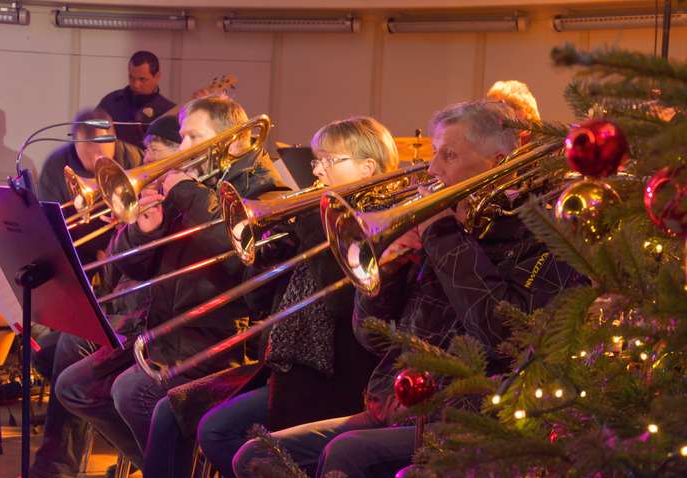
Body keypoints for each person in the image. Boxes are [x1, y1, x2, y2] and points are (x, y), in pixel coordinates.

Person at [233, 101, 582, 477]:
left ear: (497, 162)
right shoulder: (452, 228)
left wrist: (440, 233)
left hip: (473, 417)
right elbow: (373, 337)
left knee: (348, 454)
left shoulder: (539, 231)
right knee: (256, 456)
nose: (432, 170)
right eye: (435, 154)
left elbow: (501, 333)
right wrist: (391, 268)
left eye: (448, 155)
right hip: (398, 404)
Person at [141, 116, 398, 478]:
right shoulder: (318, 217)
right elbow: (258, 304)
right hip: (284, 367)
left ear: (368, 167)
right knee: (176, 412)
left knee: (217, 431)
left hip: (337, 378)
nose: (318, 170)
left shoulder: (376, 223)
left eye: (329, 160)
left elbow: (345, 306)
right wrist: (265, 257)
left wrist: (311, 227)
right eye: (316, 160)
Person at [54, 95, 287, 471]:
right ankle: (155, 464)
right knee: (74, 386)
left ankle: (168, 466)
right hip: (164, 331)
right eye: (183, 137)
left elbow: (239, 256)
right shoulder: (195, 185)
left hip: (220, 340)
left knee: (131, 392)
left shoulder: (265, 193)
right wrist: (146, 232)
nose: (184, 149)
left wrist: (187, 194)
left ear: (237, 141)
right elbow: (128, 270)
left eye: (194, 137)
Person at [29, 116, 181, 478]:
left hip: (155, 322)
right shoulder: (148, 190)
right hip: (128, 309)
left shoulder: (185, 200)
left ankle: (61, 465)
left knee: (69, 349)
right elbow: (117, 273)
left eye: (153, 149)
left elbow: (148, 277)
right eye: (145, 148)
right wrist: (125, 228)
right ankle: (66, 462)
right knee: (48, 353)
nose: (145, 156)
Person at [38, 108, 143, 268]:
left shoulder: (134, 157)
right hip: (77, 251)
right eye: (90, 153)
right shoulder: (56, 165)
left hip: (126, 247)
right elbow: (50, 224)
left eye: (103, 153)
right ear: (76, 143)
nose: (97, 161)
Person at [98, 51, 176, 148]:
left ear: (157, 77)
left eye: (142, 79)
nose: (136, 84)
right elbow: (93, 133)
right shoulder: (110, 102)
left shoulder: (168, 110)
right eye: (131, 77)